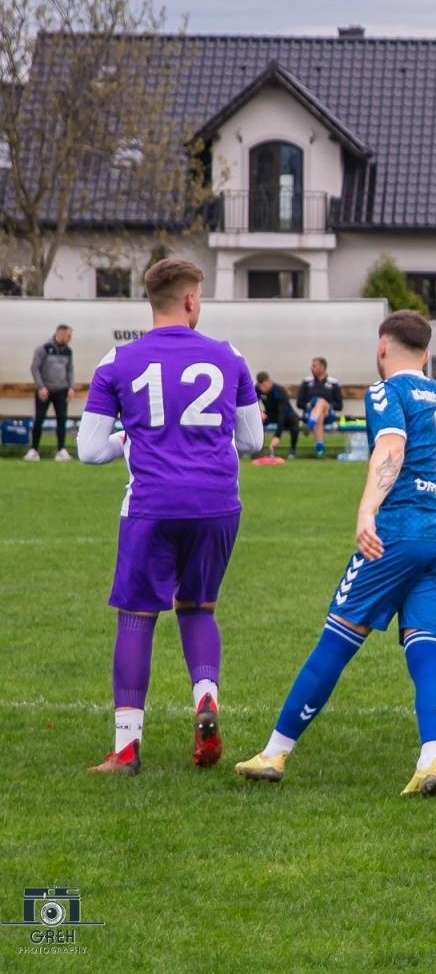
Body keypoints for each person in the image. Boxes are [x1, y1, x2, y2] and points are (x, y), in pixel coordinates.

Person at [235, 311, 436, 795]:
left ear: (383, 349)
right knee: (429, 655)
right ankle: (432, 758)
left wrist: (367, 510)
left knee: (336, 641)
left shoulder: (386, 391)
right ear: (427, 353)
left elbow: (391, 448)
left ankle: (275, 753)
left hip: (398, 535)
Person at [77, 258, 263, 774]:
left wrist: (126, 438)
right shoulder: (229, 355)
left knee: (137, 616)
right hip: (217, 504)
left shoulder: (118, 360)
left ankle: (127, 747)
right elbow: (253, 440)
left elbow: (89, 450)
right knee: (198, 607)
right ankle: (205, 697)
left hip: (152, 505)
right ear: (189, 300)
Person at [26, 323, 74, 461]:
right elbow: (35, 367)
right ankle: (33, 449)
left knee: (61, 420)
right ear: (60, 333)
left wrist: (71, 387)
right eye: (68, 335)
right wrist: (40, 387)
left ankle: (61, 450)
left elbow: (70, 369)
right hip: (45, 390)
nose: (70, 338)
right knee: (39, 420)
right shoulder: (44, 348)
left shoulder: (68, 351)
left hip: (61, 390)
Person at [297, 356, 344, 459]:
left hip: (328, 413)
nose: (311, 368)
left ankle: (311, 425)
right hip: (310, 413)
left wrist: (327, 404)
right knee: (319, 412)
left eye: (314, 366)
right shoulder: (307, 382)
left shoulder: (333, 383)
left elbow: (339, 406)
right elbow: (299, 403)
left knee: (321, 402)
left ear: (322, 367)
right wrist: (307, 404)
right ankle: (320, 447)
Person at [256, 371, 300, 458]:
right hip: (270, 415)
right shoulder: (257, 389)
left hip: (286, 415)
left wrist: (277, 436)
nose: (263, 389)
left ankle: (292, 450)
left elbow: (282, 413)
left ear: (270, 381)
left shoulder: (279, 391)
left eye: (265, 386)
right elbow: (251, 403)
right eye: (261, 387)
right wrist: (259, 411)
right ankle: (257, 449)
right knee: (256, 420)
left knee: (294, 422)